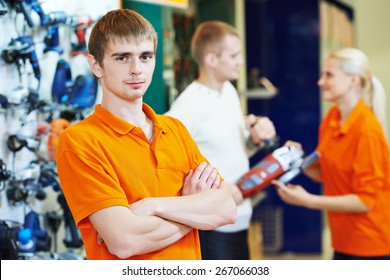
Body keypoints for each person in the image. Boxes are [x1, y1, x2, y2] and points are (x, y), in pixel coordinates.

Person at [55, 9, 237, 260]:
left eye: (145, 56)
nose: (136, 69)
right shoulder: (80, 141)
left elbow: (226, 209)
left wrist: (155, 205)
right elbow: (125, 241)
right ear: (96, 65)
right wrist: (192, 210)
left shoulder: (175, 130)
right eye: (122, 58)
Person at [166, 21, 276, 260]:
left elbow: (235, 150)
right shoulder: (187, 106)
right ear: (211, 59)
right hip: (212, 226)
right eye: (234, 55)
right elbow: (166, 163)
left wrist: (253, 139)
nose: (241, 61)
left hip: (239, 217)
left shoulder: (228, 91)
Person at [272, 47, 390, 260]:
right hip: (342, 240)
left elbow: (365, 201)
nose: (320, 82)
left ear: (353, 80)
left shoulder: (367, 131)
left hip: (370, 245)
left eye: (329, 75)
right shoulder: (332, 119)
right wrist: (297, 159)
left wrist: (309, 200)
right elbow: (322, 173)